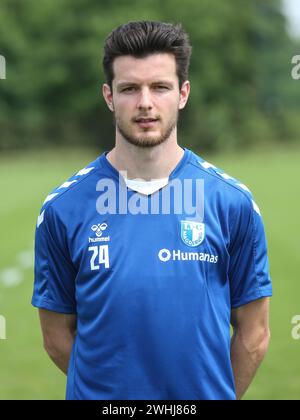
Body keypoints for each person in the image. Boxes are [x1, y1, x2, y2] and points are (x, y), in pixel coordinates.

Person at [32, 20, 272, 400]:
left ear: (183, 93)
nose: (145, 102)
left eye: (160, 87)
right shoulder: (63, 209)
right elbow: (57, 337)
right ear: (109, 96)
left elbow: (254, 333)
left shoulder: (232, 203)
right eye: (130, 88)